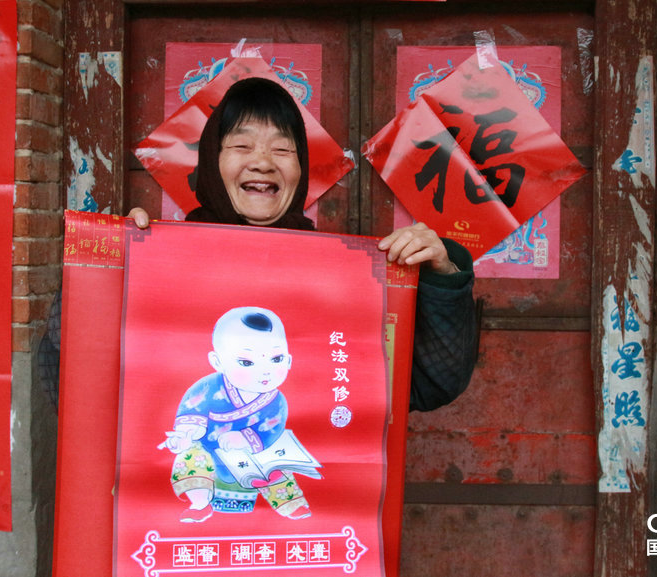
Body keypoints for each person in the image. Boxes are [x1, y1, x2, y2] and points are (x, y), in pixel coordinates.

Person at [40, 76, 477, 412]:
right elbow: (66, 382)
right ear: (213, 161)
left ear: (301, 168)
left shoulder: (340, 275)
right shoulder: (158, 260)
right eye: (242, 145)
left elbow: (429, 385)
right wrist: (107, 269)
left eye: (282, 150)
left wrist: (443, 275)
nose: (263, 162)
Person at [161, 306, 317, 523]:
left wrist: (245, 439)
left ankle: (290, 506)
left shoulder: (276, 401)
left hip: (251, 453)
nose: (265, 370)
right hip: (210, 449)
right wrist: (185, 435)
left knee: (275, 465)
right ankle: (199, 504)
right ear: (217, 362)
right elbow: (190, 412)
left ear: (289, 360)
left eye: (276, 359)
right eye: (246, 362)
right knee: (190, 456)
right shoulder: (208, 387)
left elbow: (272, 430)